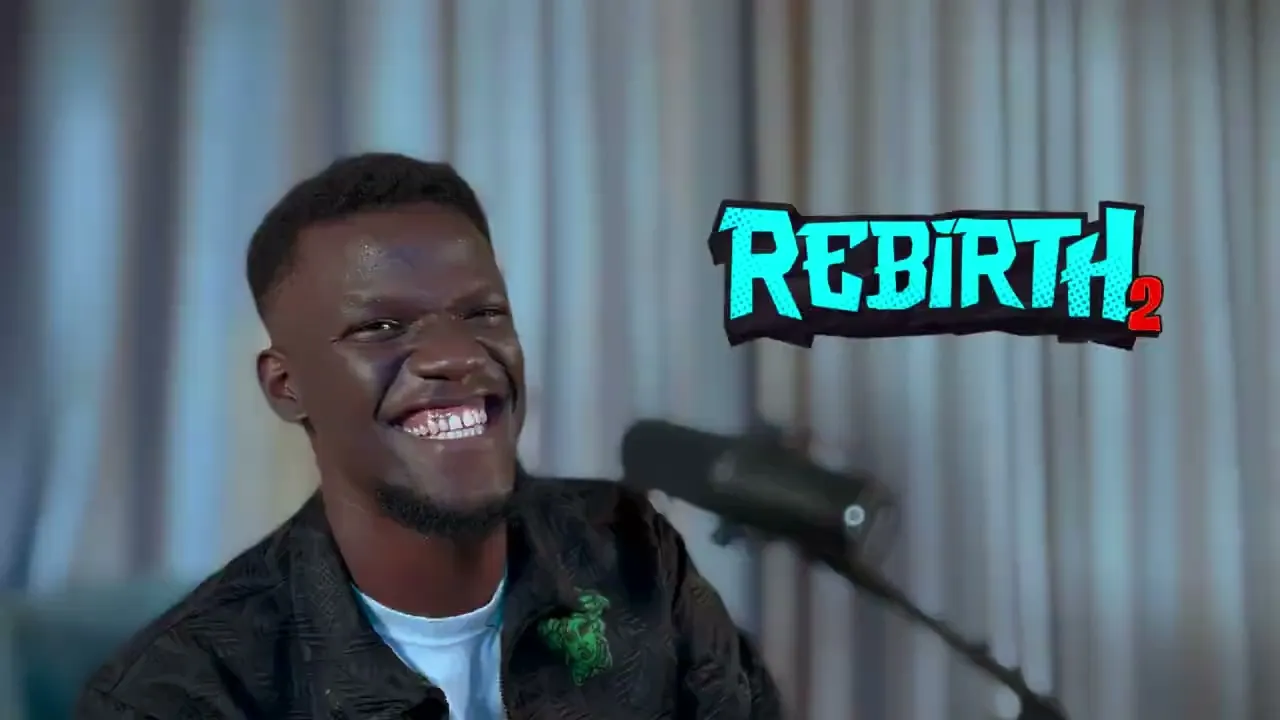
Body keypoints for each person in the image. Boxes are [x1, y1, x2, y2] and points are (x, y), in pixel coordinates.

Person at [75, 153, 782, 719]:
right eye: (381, 327)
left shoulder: (631, 555)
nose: (457, 356)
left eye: (483, 314)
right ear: (286, 387)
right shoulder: (179, 693)